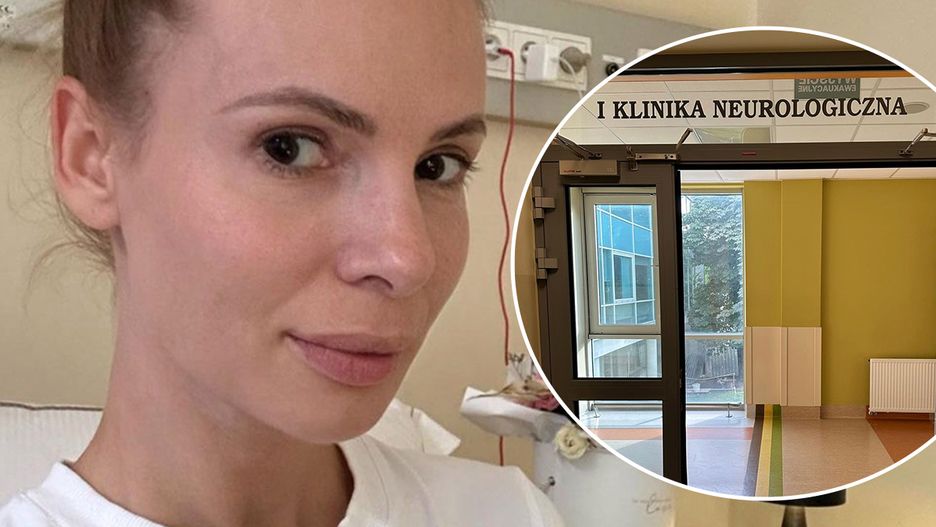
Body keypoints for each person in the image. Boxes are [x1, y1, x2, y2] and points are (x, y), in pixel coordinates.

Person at [0, 1, 564, 526]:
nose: (407, 259)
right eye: (289, 148)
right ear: (90, 155)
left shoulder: (510, 514)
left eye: (438, 166)